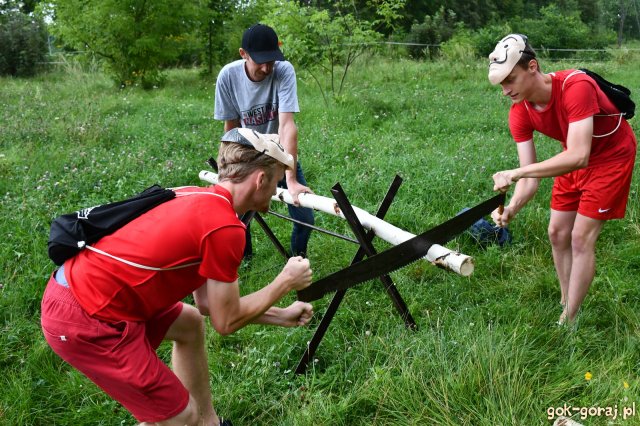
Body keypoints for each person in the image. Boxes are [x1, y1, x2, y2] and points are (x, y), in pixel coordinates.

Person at [40, 128, 314, 426]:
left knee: (189, 323)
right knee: (181, 417)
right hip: (87, 318)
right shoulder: (226, 228)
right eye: (275, 182)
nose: (276, 192)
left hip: (82, 291)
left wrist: (280, 315)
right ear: (260, 179)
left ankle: (208, 423)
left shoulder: (196, 195)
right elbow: (226, 322)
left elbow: (210, 306)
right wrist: (285, 281)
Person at [487, 34, 637, 325]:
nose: (506, 90)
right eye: (501, 84)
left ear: (533, 67)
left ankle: (568, 320)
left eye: (510, 80)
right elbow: (529, 178)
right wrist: (513, 208)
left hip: (610, 157)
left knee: (581, 237)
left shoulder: (575, 87)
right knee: (557, 232)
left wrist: (515, 173)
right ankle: (567, 299)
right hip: (571, 158)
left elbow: (579, 154)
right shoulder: (520, 113)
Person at [214, 23, 315, 258]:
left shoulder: (283, 70)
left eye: (271, 60)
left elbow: (287, 125)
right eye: (261, 61)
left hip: (279, 155)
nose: (267, 67)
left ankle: (297, 259)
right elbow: (231, 129)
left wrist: (290, 178)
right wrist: (226, 170)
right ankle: (245, 258)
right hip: (248, 156)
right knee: (236, 215)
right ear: (243, 54)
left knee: (306, 218)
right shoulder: (228, 77)